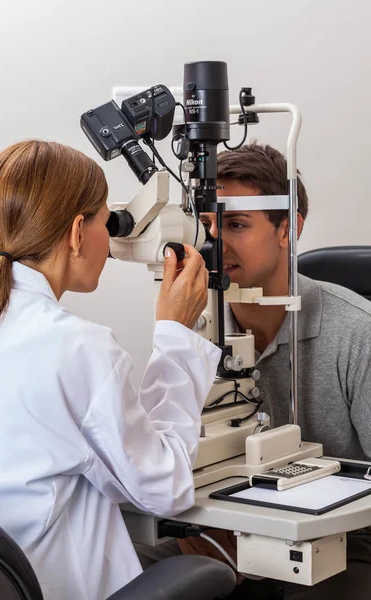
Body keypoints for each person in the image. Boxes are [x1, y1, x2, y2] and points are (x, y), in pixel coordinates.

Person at [0, 140, 222, 600]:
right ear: (76, 232)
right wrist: (175, 335)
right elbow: (165, 488)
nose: (111, 239)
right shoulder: (76, 346)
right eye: (108, 220)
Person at [176, 142, 371, 599]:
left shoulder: (358, 334)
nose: (213, 244)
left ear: (290, 229)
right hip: (223, 535)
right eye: (205, 226)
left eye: (236, 224)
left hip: (344, 547)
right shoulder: (192, 328)